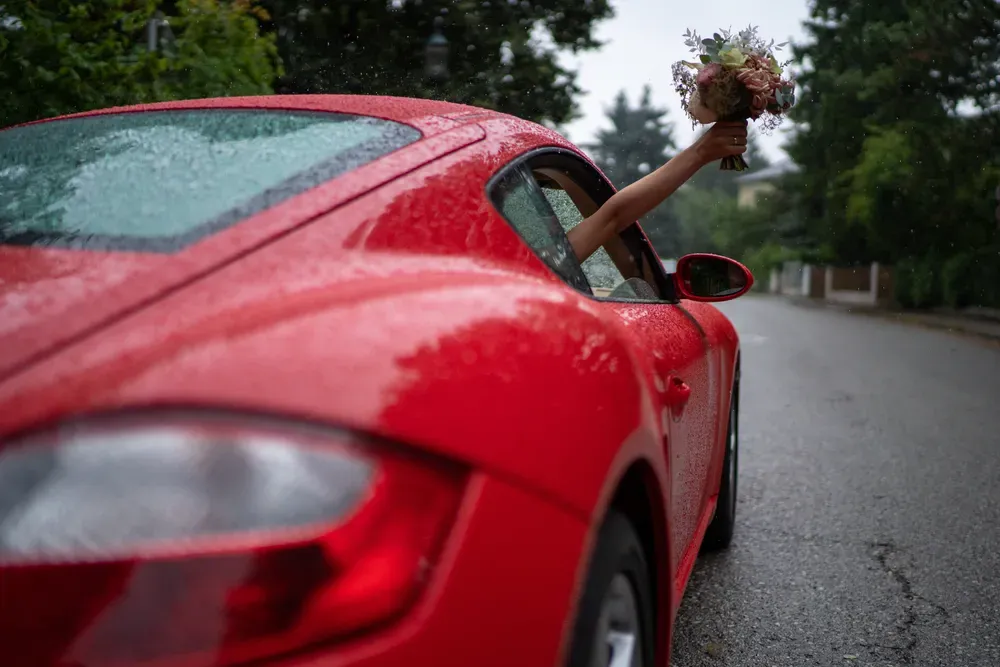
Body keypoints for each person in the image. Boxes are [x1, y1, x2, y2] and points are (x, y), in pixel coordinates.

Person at [566, 120, 748, 263]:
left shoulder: (546, 265)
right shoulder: (552, 263)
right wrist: (700, 152)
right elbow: (613, 217)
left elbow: (614, 216)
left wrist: (702, 152)